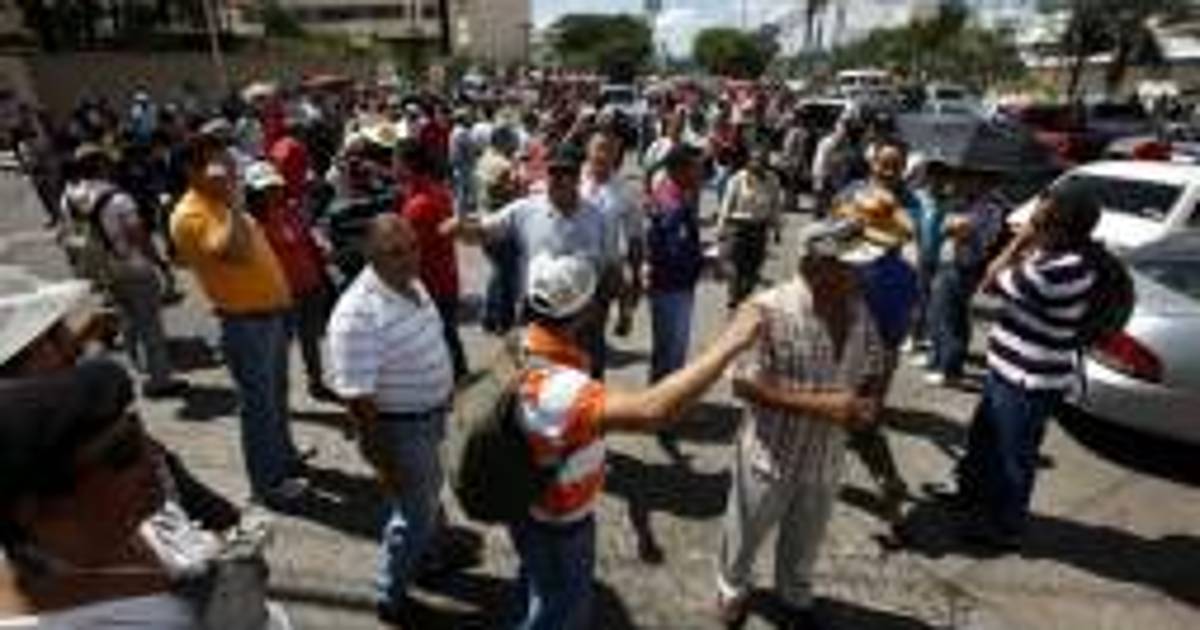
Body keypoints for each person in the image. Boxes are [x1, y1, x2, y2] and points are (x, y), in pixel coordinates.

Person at [507, 251, 761, 630]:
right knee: (563, 609)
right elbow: (653, 410)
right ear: (586, 313)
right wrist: (731, 342)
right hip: (559, 521)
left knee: (540, 586)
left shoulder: (521, 343)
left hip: (525, 503)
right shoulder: (561, 389)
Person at [715, 220, 886, 630]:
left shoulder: (858, 309)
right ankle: (731, 589)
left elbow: (874, 362)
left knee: (806, 539)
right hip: (770, 455)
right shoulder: (766, 309)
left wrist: (871, 400)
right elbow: (742, 383)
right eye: (850, 266)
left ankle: (794, 595)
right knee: (744, 533)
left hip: (826, 455)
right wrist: (821, 406)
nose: (861, 274)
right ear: (814, 264)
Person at [928, 183, 1100, 551]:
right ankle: (969, 494)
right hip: (1007, 368)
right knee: (983, 441)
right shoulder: (1052, 255)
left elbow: (990, 280)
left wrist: (1020, 240)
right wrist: (1030, 243)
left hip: (1029, 381)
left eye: (1041, 218)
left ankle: (1005, 526)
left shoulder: (1063, 269)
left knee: (1013, 456)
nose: (1033, 221)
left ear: (1062, 226)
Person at [326, 214, 456, 626]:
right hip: (402, 429)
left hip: (430, 417)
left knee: (428, 496)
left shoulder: (411, 283)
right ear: (371, 255)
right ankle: (390, 594)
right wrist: (383, 463)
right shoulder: (356, 315)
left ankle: (427, 558)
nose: (411, 258)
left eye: (413, 246)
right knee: (412, 513)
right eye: (395, 252)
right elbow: (359, 403)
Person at [169, 128, 308, 507]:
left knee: (276, 396)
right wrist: (233, 200)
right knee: (259, 407)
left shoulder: (219, 202)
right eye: (221, 162)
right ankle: (268, 484)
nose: (231, 168)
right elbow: (236, 253)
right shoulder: (191, 213)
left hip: (270, 316)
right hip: (247, 323)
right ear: (194, 170)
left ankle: (285, 458)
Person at [442, 144, 614, 339]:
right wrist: (461, 229)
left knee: (585, 358)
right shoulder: (525, 209)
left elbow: (610, 270)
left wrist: (617, 309)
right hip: (536, 312)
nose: (559, 178)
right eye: (553, 172)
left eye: (567, 172)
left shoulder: (599, 219)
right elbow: (485, 231)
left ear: (578, 177)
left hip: (583, 317)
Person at [58, 143, 185, 399]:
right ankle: (160, 380)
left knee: (126, 318)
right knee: (149, 323)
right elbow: (138, 236)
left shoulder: (68, 198)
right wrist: (160, 264)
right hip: (132, 266)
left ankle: (136, 369)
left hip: (100, 269)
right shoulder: (118, 199)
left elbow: (68, 234)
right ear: (102, 165)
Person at [243, 161, 337, 403]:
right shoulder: (252, 225)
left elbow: (308, 239)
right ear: (253, 193)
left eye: (275, 187)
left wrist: (320, 250)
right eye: (266, 189)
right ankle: (277, 393)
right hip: (281, 296)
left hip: (310, 286)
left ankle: (316, 382)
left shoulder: (292, 210)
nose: (273, 193)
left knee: (311, 339)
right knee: (278, 349)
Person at [644, 143, 706, 460]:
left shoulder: (675, 194)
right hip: (672, 288)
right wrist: (703, 260)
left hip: (673, 286)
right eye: (696, 167)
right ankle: (663, 415)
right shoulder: (672, 202)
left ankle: (661, 407)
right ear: (679, 169)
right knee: (671, 354)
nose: (701, 172)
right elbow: (673, 252)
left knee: (667, 353)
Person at [395, 140, 469, 381]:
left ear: (407, 165)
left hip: (430, 281)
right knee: (448, 334)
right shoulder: (437, 191)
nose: (393, 166)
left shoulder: (418, 204)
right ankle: (460, 376)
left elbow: (408, 250)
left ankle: (453, 381)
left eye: (396, 161)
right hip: (445, 276)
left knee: (437, 338)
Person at [580, 130, 642, 374]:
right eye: (599, 148)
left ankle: (594, 385)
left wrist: (636, 276)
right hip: (570, 273)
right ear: (588, 151)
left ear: (617, 155)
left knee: (594, 336)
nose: (603, 154)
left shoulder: (625, 191)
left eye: (610, 150)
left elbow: (635, 235)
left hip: (604, 274)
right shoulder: (572, 181)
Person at [716, 145, 783, 309]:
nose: (758, 163)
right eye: (755, 160)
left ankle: (743, 294)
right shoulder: (737, 179)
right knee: (735, 265)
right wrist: (721, 228)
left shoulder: (772, 180)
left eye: (762, 160)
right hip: (738, 227)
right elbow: (726, 204)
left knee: (753, 269)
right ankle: (734, 295)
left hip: (759, 228)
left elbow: (775, 205)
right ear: (748, 161)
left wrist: (777, 229)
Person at [474, 125, 524, 333]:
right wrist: (519, 183)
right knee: (506, 276)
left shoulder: (484, 158)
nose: (515, 145)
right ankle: (504, 321)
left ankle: (489, 318)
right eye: (512, 140)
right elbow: (511, 192)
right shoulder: (503, 164)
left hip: (485, 220)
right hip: (501, 225)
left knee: (498, 272)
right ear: (503, 141)